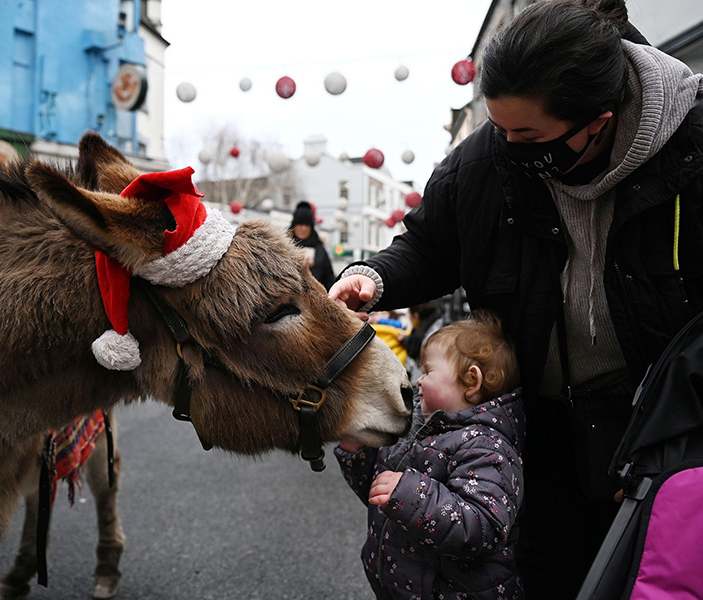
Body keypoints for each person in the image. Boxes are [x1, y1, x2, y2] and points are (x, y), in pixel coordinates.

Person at [328, 1, 703, 597]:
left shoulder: (690, 150)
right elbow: (428, 246)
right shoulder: (487, 162)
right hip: (539, 428)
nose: (507, 145)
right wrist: (374, 277)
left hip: (659, 435)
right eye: (499, 127)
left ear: (597, 122)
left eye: (526, 134)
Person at [335, 314, 524, 599]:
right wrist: (357, 453)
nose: (417, 380)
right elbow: (380, 490)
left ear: (471, 380)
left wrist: (409, 494)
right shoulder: (423, 430)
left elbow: (479, 527)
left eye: (428, 371)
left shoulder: (488, 448)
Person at [289, 201, 335, 290]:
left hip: (315, 298)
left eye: (307, 225)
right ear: (294, 225)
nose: (303, 229)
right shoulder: (285, 246)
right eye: (300, 224)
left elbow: (329, 279)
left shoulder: (320, 249)